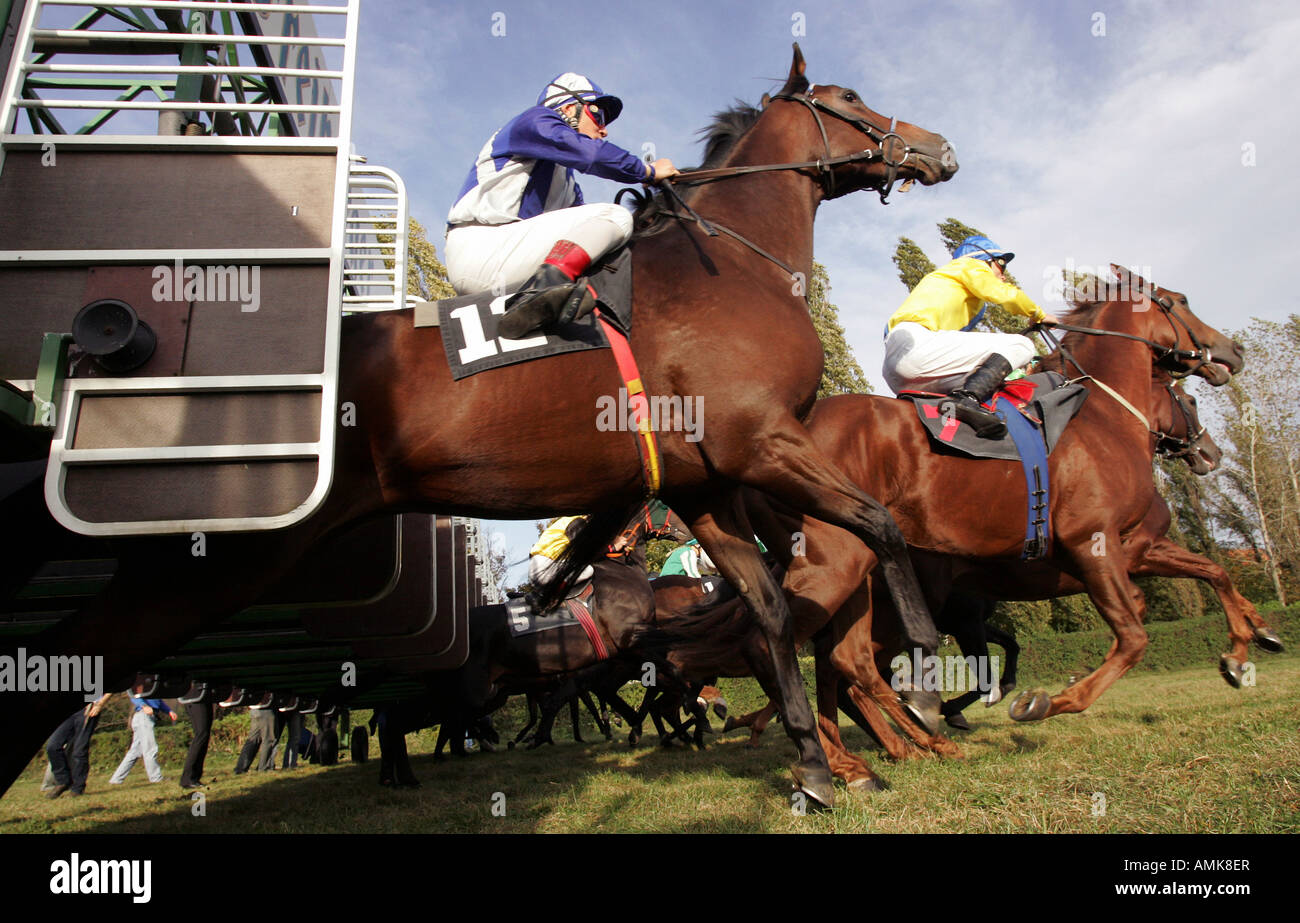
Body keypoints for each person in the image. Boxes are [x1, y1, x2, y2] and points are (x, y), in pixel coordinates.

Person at [445, 72, 678, 339]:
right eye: (598, 116)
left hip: (508, 258)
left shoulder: (565, 181)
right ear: (568, 108)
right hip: (481, 250)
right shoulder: (534, 120)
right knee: (615, 214)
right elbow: (591, 155)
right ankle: (541, 292)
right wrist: (646, 171)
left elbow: (590, 232)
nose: (604, 129)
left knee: (607, 237)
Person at [883, 235, 1059, 438]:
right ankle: (966, 400)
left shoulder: (957, 287)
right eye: (1001, 266)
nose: (1004, 276)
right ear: (984, 259)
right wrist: (1038, 314)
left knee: (982, 379)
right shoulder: (969, 264)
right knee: (1022, 345)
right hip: (916, 347)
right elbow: (1002, 293)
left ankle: (957, 429)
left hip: (897, 372)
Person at [44, 692, 112, 798]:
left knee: (79, 751)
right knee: (52, 746)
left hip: (89, 708)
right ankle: (63, 781)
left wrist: (100, 704)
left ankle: (77, 788)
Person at [108, 692, 177, 785]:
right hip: (143, 717)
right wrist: (144, 705)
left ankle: (116, 779)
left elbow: (158, 702)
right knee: (150, 748)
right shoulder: (142, 682)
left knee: (135, 752)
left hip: (145, 718)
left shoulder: (153, 686)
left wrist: (169, 711)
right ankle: (156, 778)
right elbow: (133, 694)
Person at [527, 515, 594, 591]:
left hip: (536, 568)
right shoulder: (579, 522)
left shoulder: (568, 519)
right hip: (546, 567)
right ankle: (553, 593)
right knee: (588, 570)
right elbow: (581, 550)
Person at [179, 683, 214, 790]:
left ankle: (194, 776)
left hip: (203, 694)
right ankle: (188, 778)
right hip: (195, 695)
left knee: (204, 734)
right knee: (201, 734)